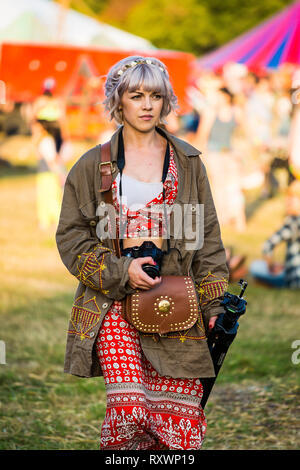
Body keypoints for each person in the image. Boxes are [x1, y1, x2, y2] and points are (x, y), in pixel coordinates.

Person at [56, 56, 229, 450]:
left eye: (156, 95)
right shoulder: (90, 166)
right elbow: (70, 237)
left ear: (167, 101)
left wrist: (214, 301)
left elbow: (208, 238)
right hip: (112, 303)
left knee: (177, 426)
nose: (148, 105)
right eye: (137, 96)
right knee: (129, 410)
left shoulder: (188, 162)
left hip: (176, 303)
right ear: (119, 102)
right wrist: (120, 270)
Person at [194, 86, 246, 231]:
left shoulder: (236, 111)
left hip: (231, 153)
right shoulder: (211, 112)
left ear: (226, 96)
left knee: (234, 186)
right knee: (219, 186)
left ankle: (238, 218)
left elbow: (243, 132)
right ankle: (223, 217)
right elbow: (202, 134)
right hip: (215, 154)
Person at [250, 180, 300, 288]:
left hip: (294, 279)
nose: (287, 202)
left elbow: (268, 245)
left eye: (291, 199)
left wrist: (271, 266)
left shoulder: (293, 222)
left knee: (255, 266)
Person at [31, 119, 64, 231]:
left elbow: (52, 159)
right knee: (43, 197)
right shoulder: (42, 140)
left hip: (49, 174)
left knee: (52, 197)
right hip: (44, 174)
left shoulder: (46, 141)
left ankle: (56, 221)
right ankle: (44, 221)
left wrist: (59, 173)